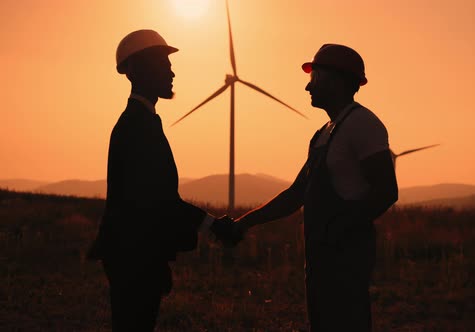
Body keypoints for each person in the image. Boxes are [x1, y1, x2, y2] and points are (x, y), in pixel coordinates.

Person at [234, 44, 398, 331]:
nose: (308, 88)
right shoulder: (322, 134)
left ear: (336, 81)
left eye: (314, 78)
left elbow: (386, 191)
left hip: (345, 259)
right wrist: (243, 223)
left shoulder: (363, 124)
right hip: (321, 259)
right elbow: (296, 194)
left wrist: (340, 229)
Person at [86, 29, 239, 331]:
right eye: (162, 64)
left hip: (135, 255)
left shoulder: (143, 121)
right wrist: (213, 225)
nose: (171, 72)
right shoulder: (136, 126)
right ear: (137, 70)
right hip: (134, 256)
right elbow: (157, 200)